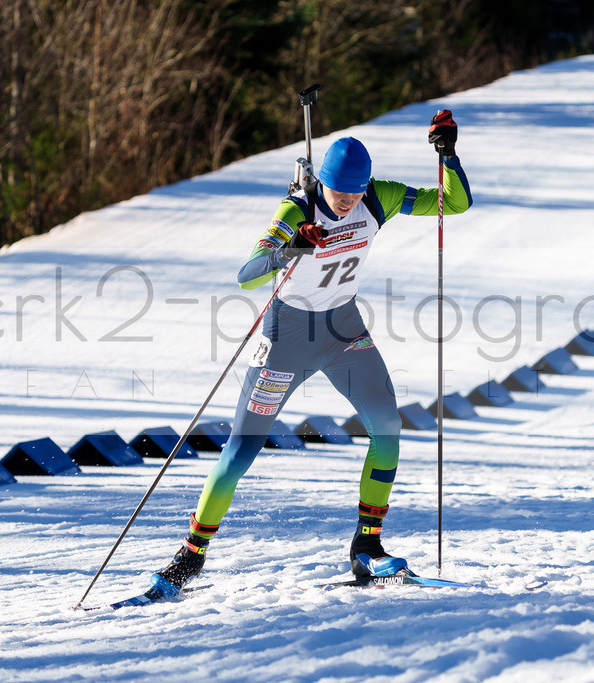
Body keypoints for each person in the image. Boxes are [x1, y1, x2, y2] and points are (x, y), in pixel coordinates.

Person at [149, 110, 473, 596]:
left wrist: (447, 156)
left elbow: (455, 204)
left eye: (356, 193)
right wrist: (289, 249)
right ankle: (191, 554)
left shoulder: (375, 196)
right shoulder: (296, 211)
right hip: (288, 339)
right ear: (321, 181)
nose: (348, 203)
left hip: (343, 331)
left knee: (387, 427)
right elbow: (248, 273)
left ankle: (367, 547)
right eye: (340, 194)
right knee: (241, 449)